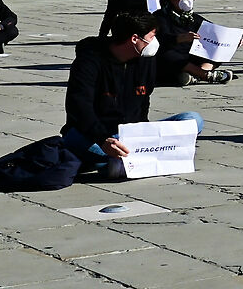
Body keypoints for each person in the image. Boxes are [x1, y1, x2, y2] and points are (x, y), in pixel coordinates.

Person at [58, 13, 202, 181]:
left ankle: (122, 162)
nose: (154, 42)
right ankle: (121, 161)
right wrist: (103, 139)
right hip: (94, 135)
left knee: (193, 119)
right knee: (78, 141)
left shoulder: (146, 59)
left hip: (131, 134)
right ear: (134, 39)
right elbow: (79, 108)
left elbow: (144, 100)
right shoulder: (89, 62)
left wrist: (145, 135)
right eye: (152, 36)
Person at [152, 0, 233, 85]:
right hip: (174, 56)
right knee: (167, 55)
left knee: (219, 50)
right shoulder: (160, 17)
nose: (188, 0)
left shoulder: (193, 17)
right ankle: (206, 75)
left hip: (192, 54)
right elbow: (159, 40)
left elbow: (215, 31)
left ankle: (197, 74)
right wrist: (180, 38)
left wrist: (232, 40)